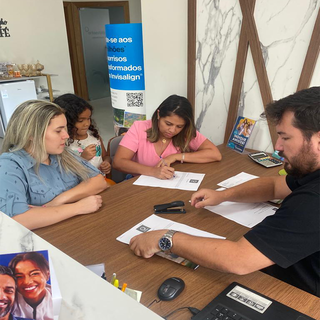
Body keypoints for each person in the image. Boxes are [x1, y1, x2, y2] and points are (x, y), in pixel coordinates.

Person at [129, 87, 320, 297]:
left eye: (285, 137)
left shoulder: (312, 201)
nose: (277, 146)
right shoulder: (310, 173)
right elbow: (275, 186)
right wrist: (223, 195)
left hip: (299, 295)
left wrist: (166, 238)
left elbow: (239, 259)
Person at [0, 100, 108, 230]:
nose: (66, 136)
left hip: (77, 227)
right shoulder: (9, 165)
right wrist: (77, 207)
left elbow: (98, 181)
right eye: (58, 131)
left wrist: (56, 202)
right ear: (31, 134)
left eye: (65, 129)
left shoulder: (61, 153)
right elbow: (17, 219)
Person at [113, 94, 222, 179]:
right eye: (168, 124)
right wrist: (153, 171)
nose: (172, 130)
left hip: (169, 186)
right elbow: (118, 162)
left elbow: (215, 154)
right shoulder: (139, 128)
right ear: (159, 114)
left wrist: (175, 157)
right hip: (138, 184)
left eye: (179, 126)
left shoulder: (185, 131)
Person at [53, 94, 112, 177]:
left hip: (101, 180)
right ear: (67, 122)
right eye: (80, 121)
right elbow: (65, 172)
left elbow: (105, 156)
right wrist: (83, 158)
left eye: (88, 118)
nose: (87, 124)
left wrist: (106, 163)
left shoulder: (94, 136)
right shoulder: (64, 144)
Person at [9, 253, 52, 320]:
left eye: (34, 274)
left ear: (47, 275)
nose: (27, 282)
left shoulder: (56, 297)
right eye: (19, 277)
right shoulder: (8, 300)